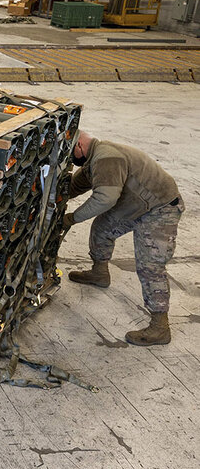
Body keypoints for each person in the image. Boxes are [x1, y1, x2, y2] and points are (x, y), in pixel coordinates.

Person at [64, 130, 183, 346]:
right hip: (136, 204)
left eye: (70, 153)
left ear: (79, 145)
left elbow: (104, 199)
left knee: (150, 265)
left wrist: (72, 218)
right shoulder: (94, 159)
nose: (71, 159)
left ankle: (160, 327)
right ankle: (99, 273)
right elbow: (75, 186)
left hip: (160, 207)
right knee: (102, 228)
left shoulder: (106, 158)